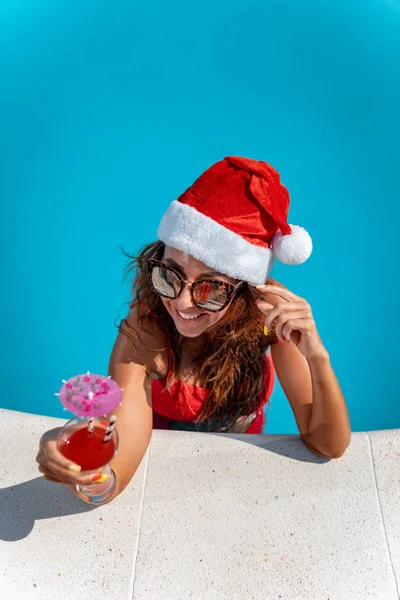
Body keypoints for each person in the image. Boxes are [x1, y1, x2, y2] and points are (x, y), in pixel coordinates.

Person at [36, 156, 351, 501]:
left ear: (245, 289)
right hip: (161, 473)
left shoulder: (268, 321)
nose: (183, 304)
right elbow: (116, 469)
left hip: (236, 474)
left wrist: (317, 356)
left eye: (211, 288)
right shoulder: (147, 329)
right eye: (169, 275)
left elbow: (327, 444)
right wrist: (88, 474)